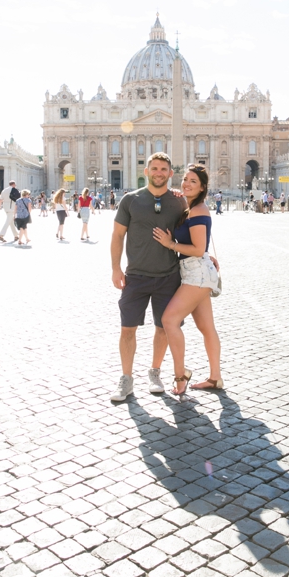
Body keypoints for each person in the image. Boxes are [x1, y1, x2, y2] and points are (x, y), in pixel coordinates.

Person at [110, 153, 187, 401]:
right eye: (154, 168)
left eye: (163, 169)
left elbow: (194, 230)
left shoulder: (179, 202)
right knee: (127, 329)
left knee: (163, 328)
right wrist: (115, 268)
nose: (159, 172)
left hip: (168, 276)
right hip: (136, 276)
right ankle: (126, 379)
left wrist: (207, 254)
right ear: (146, 171)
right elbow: (117, 235)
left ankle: (155, 372)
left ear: (170, 173)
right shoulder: (130, 200)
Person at [152, 165, 222, 394]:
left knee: (169, 320)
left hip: (197, 274)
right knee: (206, 327)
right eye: (185, 180)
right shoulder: (191, 207)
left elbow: (198, 247)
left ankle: (180, 376)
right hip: (196, 271)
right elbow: (199, 247)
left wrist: (170, 244)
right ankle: (215, 378)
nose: (187, 184)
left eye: (193, 181)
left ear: (202, 187)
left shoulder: (199, 209)